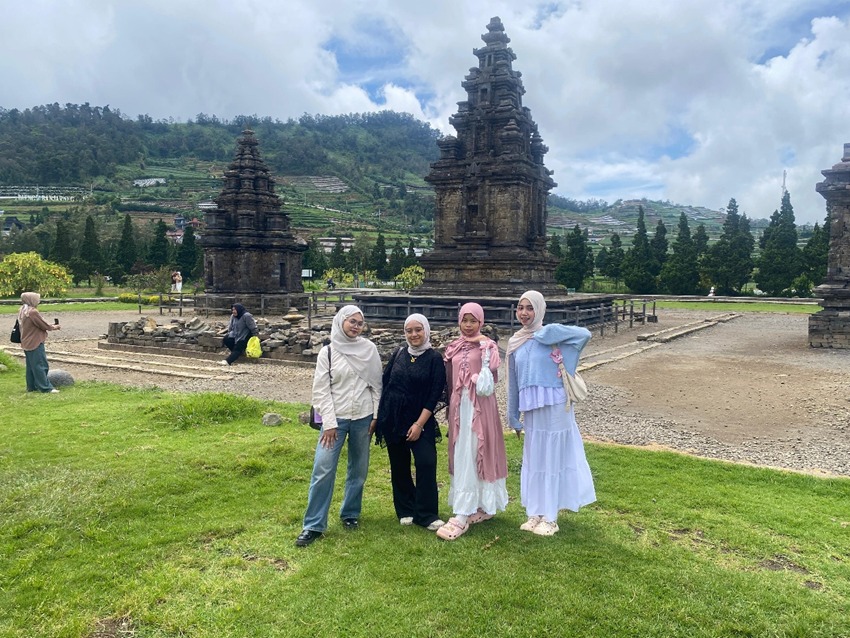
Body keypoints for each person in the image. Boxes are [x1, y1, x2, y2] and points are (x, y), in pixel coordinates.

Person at [507, 290, 596, 536]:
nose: (524, 313)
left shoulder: (550, 336)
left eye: (530, 308)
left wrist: (552, 331)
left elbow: (585, 334)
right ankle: (535, 512)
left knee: (553, 457)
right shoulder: (516, 343)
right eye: (520, 307)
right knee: (535, 459)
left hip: (557, 405)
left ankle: (551, 516)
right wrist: (512, 415)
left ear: (539, 310)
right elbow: (512, 382)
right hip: (532, 409)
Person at [296, 305, 382, 547]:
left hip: (363, 416)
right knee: (323, 468)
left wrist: (376, 415)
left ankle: (350, 513)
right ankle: (313, 524)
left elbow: (377, 385)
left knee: (359, 468)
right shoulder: (329, 352)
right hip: (336, 418)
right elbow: (321, 390)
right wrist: (330, 424)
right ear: (341, 322)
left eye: (359, 323)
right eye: (351, 321)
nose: (355, 326)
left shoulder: (369, 349)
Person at [437, 303, 508, 541]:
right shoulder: (454, 347)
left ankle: (467, 511)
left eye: (473, 321)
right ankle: (468, 505)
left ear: (480, 321)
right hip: (460, 407)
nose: (468, 325)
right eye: (464, 320)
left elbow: (494, 372)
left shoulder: (487, 345)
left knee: (477, 449)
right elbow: (448, 379)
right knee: (462, 451)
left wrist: (487, 349)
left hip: (480, 407)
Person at [375, 314, 446, 531]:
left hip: (420, 418)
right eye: (409, 330)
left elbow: (435, 394)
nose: (414, 335)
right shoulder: (399, 353)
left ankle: (426, 513)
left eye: (418, 330)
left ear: (426, 330)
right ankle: (405, 508)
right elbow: (385, 383)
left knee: (425, 462)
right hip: (394, 416)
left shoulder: (434, 358)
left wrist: (419, 424)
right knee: (399, 464)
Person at [17, 292, 61, 393]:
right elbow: (44, 325)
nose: (38, 301)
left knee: (31, 367)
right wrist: (55, 327)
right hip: (35, 341)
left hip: (26, 341)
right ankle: (46, 388)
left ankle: (31, 387)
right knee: (41, 365)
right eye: (37, 299)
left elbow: (37, 324)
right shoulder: (33, 312)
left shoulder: (22, 310)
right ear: (31, 300)